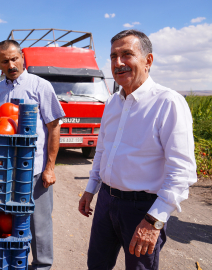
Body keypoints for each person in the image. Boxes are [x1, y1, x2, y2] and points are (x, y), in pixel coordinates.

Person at [78, 29, 197, 269]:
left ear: (148, 60)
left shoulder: (168, 102)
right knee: (96, 265)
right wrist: (91, 189)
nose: (118, 63)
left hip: (143, 208)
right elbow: (102, 150)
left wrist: (154, 220)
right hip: (106, 202)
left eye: (126, 54)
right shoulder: (112, 102)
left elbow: (182, 171)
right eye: (113, 56)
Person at [0, 40, 65, 270]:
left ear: (22, 56)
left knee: (38, 223)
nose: (11, 65)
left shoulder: (40, 86)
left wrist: (50, 168)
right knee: (5, 219)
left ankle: (42, 266)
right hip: (4, 170)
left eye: (14, 58)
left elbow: (54, 127)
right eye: (5, 61)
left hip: (34, 169)